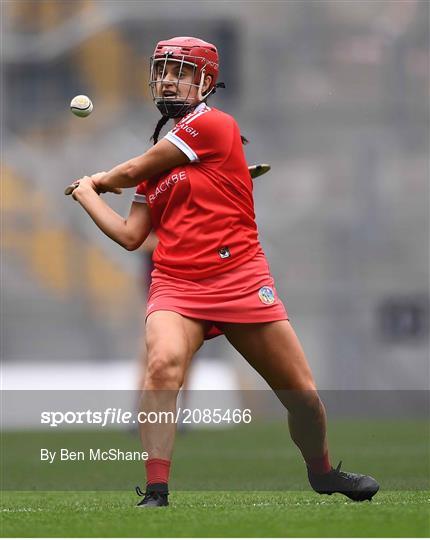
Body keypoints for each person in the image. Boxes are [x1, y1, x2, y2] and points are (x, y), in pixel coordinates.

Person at [68, 36, 379, 507]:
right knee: (162, 366)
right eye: (164, 70)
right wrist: (89, 198)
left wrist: (99, 180)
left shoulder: (214, 125)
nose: (169, 79)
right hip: (176, 285)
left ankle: (322, 473)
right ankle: (156, 490)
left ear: (206, 83)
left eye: (182, 72)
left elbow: (130, 171)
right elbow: (133, 236)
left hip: (240, 280)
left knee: (303, 397)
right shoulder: (163, 155)